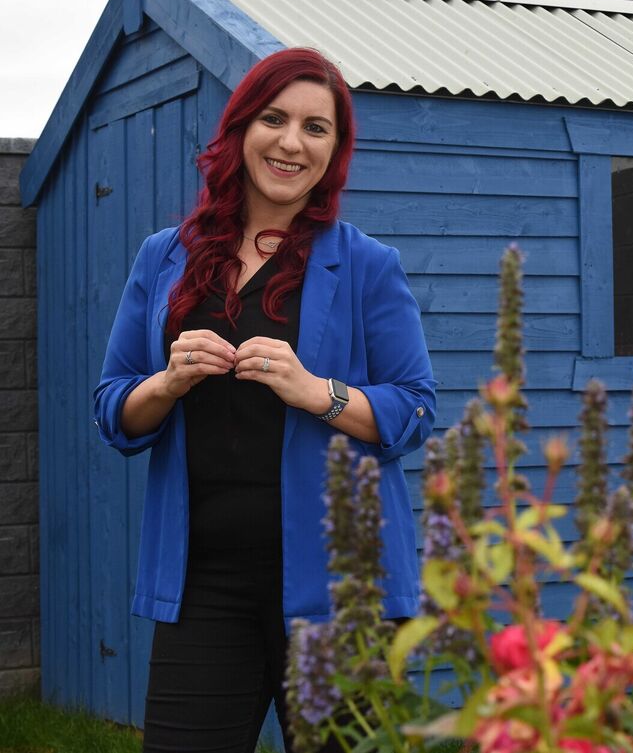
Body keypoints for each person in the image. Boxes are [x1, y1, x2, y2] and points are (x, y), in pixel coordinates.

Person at [92, 48, 436, 752]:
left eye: (317, 128)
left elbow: (415, 409)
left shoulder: (367, 264)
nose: (290, 142)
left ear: (335, 151)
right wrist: (167, 381)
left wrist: (318, 392)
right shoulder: (165, 256)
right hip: (202, 585)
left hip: (344, 586)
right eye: (274, 118)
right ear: (240, 128)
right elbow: (113, 409)